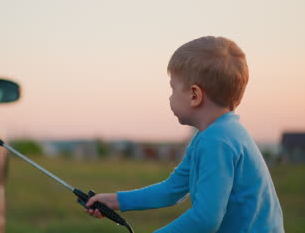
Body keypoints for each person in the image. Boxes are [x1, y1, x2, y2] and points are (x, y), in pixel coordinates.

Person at [85, 36, 284, 232]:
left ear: (194, 95)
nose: (170, 96)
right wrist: (113, 201)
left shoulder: (218, 141)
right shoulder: (213, 135)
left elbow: (205, 220)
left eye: (173, 88)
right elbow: (172, 190)